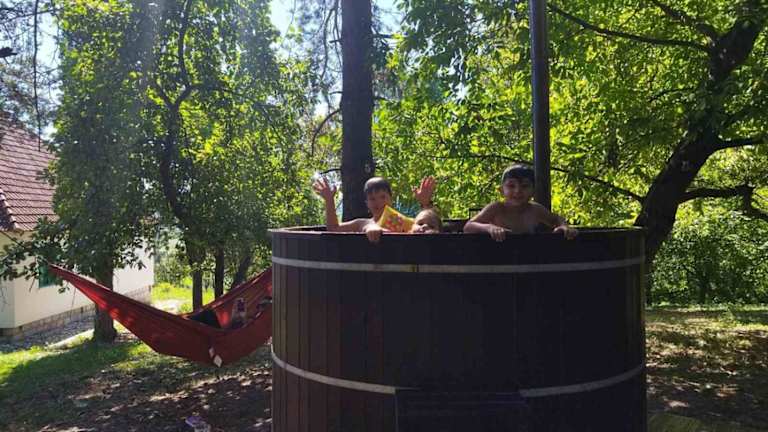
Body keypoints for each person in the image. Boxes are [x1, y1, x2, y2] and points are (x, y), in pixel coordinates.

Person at [463, 164, 577, 241]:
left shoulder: (535, 209)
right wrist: (489, 228)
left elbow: (555, 219)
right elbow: (468, 226)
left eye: (525, 186)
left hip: (525, 256)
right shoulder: (496, 208)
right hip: (498, 256)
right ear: (501, 190)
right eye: (511, 186)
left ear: (533, 191)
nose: (518, 191)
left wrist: (564, 226)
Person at [313, 175, 436, 243]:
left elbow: (432, 226)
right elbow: (333, 229)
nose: (378, 202)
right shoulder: (362, 223)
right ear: (366, 203)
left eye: (383, 197)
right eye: (372, 199)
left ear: (391, 199)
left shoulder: (406, 222)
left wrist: (425, 203)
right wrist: (329, 201)